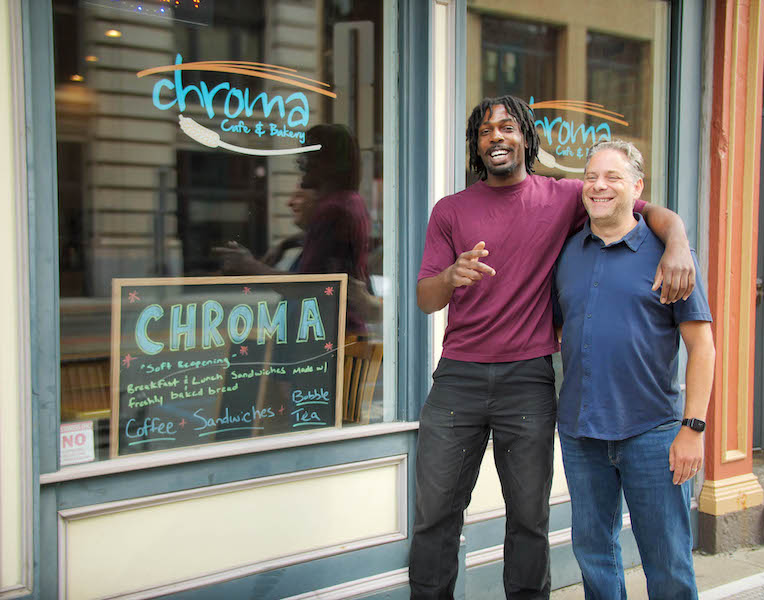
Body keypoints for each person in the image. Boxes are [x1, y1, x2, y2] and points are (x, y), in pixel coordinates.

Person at [411, 95, 697, 600]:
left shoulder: (565, 196)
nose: (495, 136)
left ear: (526, 136)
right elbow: (424, 299)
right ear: (476, 146)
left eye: (507, 127)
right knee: (436, 514)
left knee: (529, 520)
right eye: (484, 131)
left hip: (528, 380)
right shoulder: (450, 210)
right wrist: (451, 277)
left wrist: (678, 241)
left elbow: (642, 206)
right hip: (459, 377)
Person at [554, 140, 715, 599]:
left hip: (653, 433)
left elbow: (702, 347)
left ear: (637, 187)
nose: (599, 186)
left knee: (667, 561)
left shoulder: (669, 256)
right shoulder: (567, 254)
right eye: (591, 177)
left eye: (613, 178)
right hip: (582, 433)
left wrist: (694, 429)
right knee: (594, 556)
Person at [215, 123, 377, 333]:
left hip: (326, 338)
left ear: (328, 163)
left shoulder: (332, 210)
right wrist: (288, 243)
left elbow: (304, 287)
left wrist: (249, 266)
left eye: (308, 154)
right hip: (343, 333)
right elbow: (331, 254)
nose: (301, 162)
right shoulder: (351, 202)